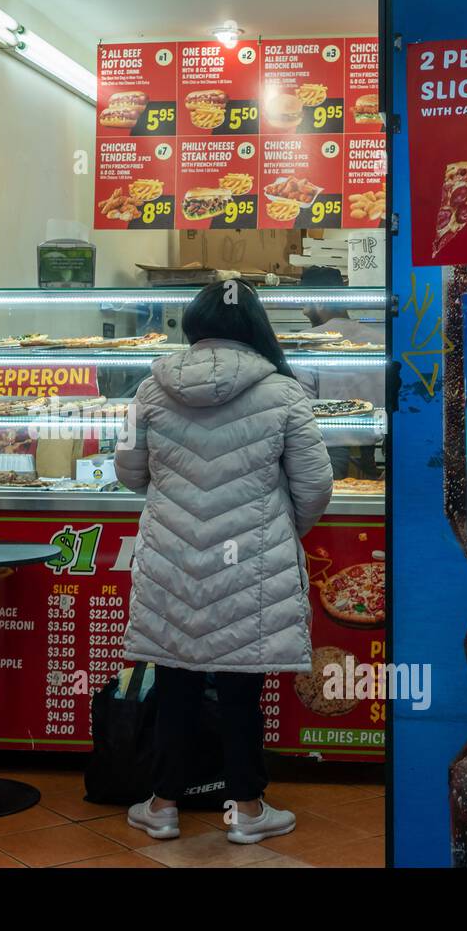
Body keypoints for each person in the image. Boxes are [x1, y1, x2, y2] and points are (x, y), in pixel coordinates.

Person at [116, 279, 334, 844]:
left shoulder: (144, 391)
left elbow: (128, 473)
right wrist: (277, 532)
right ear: (254, 326)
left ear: (193, 324)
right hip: (251, 564)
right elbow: (315, 487)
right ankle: (248, 811)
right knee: (242, 689)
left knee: (176, 685)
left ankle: (162, 807)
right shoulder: (286, 392)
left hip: (171, 554)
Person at [294, 303, 385, 479]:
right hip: (370, 448)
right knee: (369, 504)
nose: (303, 311)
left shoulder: (306, 341)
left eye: (306, 307)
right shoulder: (379, 339)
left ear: (320, 303)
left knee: (334, 504)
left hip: (327, 449)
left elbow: (303, 405)